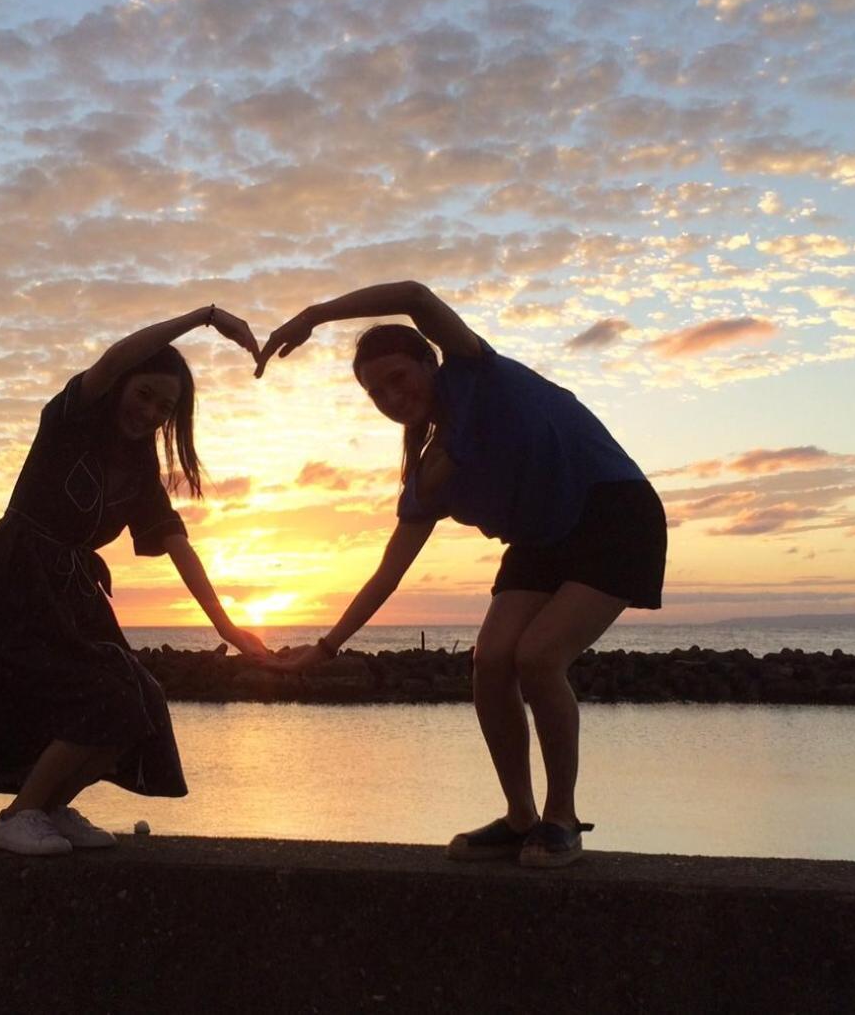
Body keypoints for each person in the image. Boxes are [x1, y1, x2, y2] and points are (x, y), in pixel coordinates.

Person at [255, 282, 665, 867]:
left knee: (540, 657)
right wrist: (323, 649)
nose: (394, 396)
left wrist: (315, 314)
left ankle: (562, 817)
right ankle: (519, 816)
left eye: (400, 377)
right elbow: (386, 576)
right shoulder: (430, 477)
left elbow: (415, 296)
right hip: (541, 540)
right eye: (377, 393)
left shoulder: (476, 374)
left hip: (613, 513)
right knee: (491, 659)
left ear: (430, 361)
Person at [0, 305, 270, 856]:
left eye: (165, 407)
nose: (151, 412)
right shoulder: (72, 420)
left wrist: (228, 626)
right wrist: (205, 318)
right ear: (122, 386)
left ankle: (49, 807)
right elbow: (116, 357)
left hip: (69, 594)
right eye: (145, 395)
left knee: (140, 698)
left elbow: (175, 543)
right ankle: (17, 816)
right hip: (10, 583)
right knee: (103, 694)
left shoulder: (139, 468)